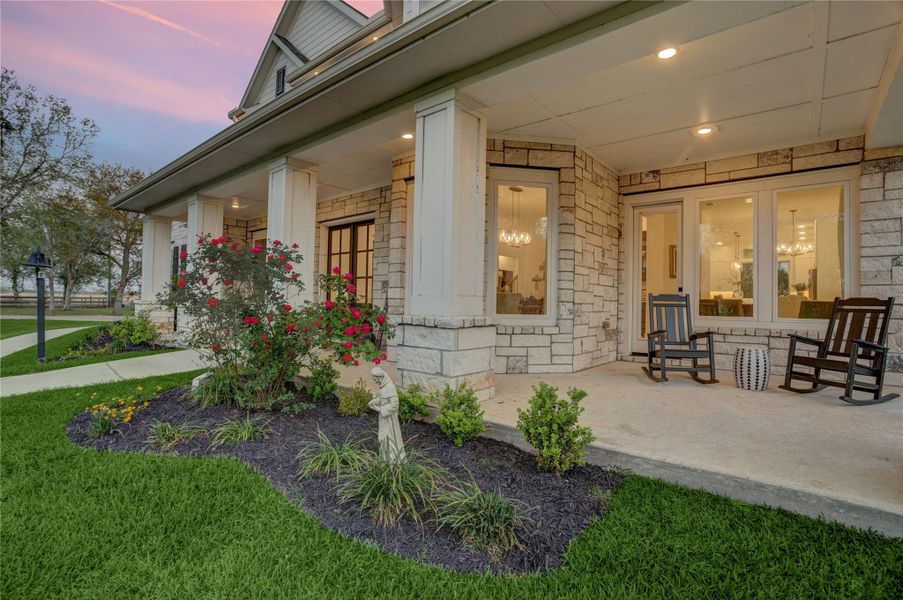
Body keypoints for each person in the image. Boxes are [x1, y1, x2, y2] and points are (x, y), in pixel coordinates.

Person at [368, 367, 405, 463]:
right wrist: (374, 401)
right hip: (384, 417)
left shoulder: (390, 387)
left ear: (378, 377)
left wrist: (380, 409)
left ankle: (392, 459)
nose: (373, 380)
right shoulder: (383, 386)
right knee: (382, 437)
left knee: (387, 436)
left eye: (374, 378)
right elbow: (383, 398)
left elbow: (394, 404)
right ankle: (385, 457)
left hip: (389, 418)